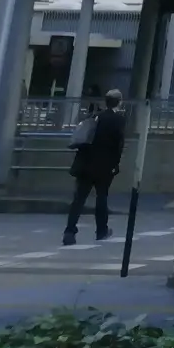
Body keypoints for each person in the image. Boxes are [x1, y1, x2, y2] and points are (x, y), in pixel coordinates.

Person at [63, 88, 126, 245]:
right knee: (102, 197)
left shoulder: (95, 116)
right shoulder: (118, 120)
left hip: (86, 163)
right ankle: (101, 230)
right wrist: (115, 164)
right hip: (104, 166)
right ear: (119, 102)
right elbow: (119, 145)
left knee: (79, 199)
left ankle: (69, 231)